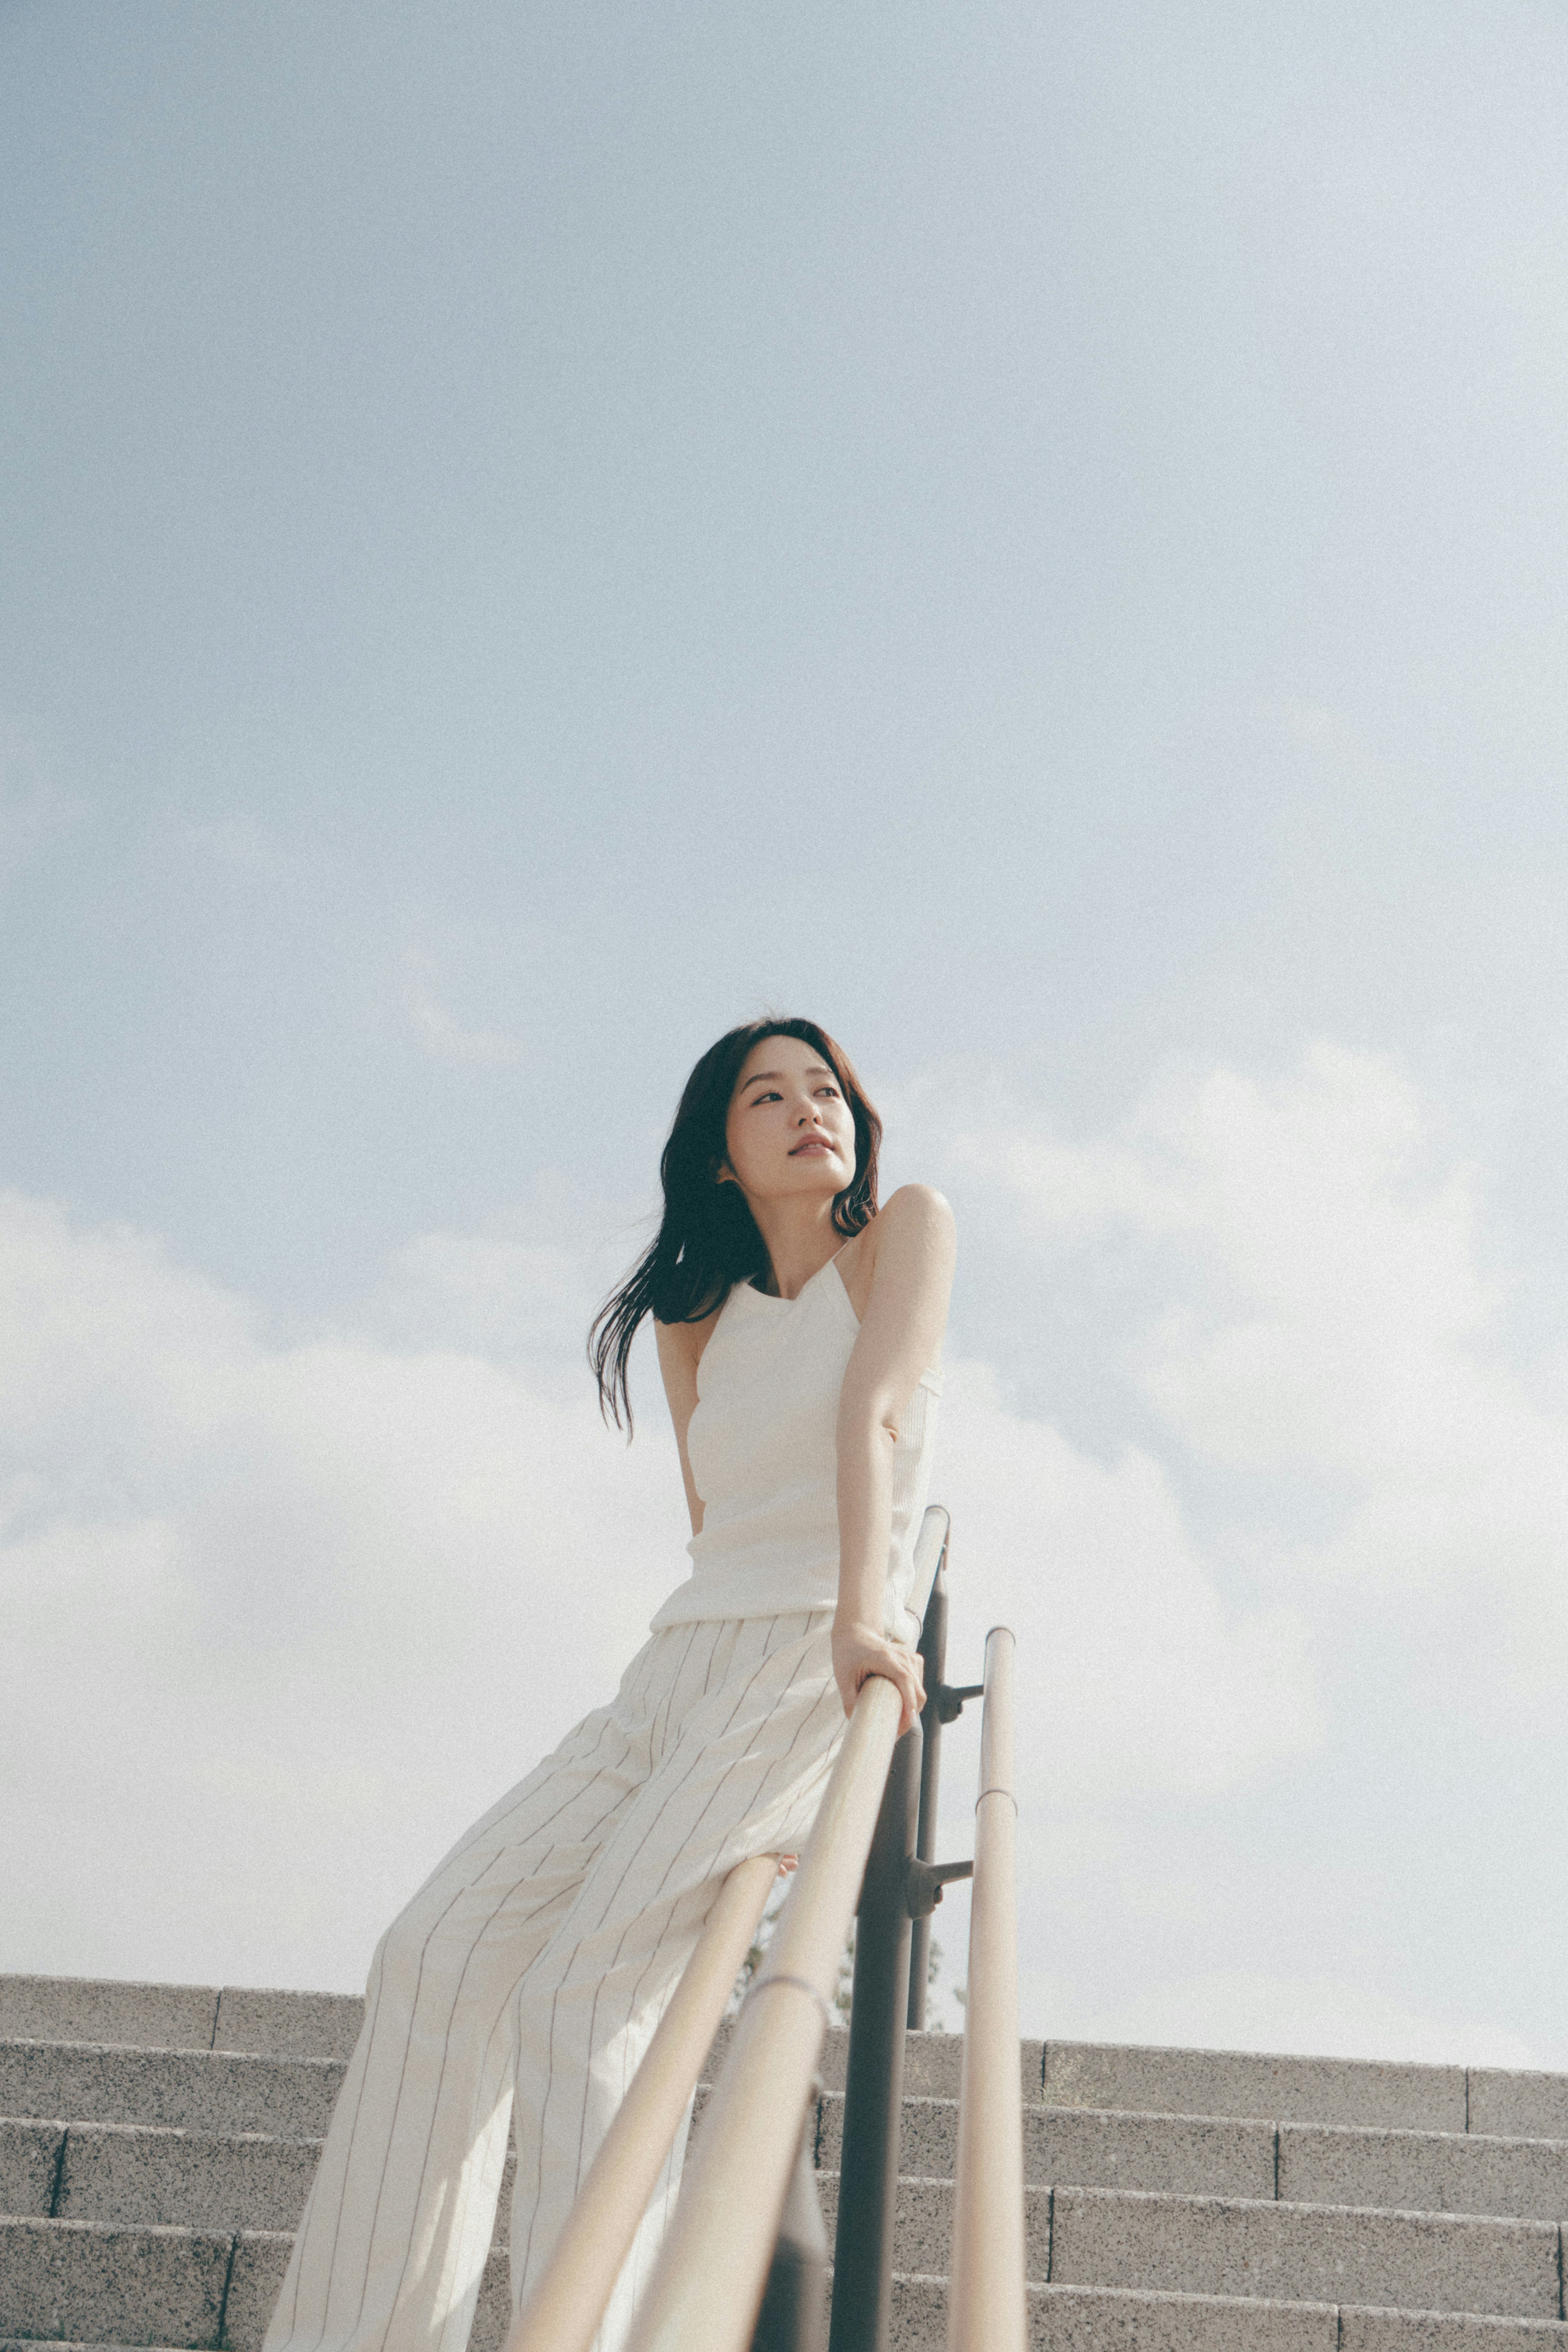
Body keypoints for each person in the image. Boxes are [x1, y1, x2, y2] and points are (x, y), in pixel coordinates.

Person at [263, 1017, 956, 2352]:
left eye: (829, 1090)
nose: (812, 1109)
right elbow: (715, 1531)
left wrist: (865, 1622)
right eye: (769, 1096)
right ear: (719, 1157)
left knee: (588, 1988)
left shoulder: (906, 1233)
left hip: (812, 1647)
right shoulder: (695, 1323)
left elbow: (875, 1412)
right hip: (676, 1666)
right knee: (439, 1949)